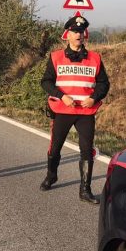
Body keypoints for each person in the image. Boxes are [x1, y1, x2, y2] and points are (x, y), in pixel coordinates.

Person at [39, 14, 110, 204]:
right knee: (55, 147)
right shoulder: (55, 57)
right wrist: (62, 96)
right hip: (63, 110)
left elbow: (104, 84)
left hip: (86, 113)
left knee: (86, 150)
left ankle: (85, 190)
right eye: (74, 31)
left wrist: (94, 97)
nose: (78, 34)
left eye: (81, 31)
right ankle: (51, 175)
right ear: (67, 35)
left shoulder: (95, 58)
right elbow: (45, 82)